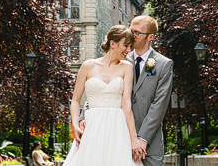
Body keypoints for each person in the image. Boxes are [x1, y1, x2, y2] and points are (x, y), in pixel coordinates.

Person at [63, 25, 142, 166]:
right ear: (113, 44)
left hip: (117, 126)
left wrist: (133, 138)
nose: (129, 50)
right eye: (125, 45)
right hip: (92, 126)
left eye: (130, 46)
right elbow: (75, 101)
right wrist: (75, 124)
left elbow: (126, 103)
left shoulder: (127, 67)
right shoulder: (88, 66)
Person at [127, 15, 174, 166]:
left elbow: (159, 104)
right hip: (120, 133)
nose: (131, 35)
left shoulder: (163, 64)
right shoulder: (121, 60)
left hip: (150, 142)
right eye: (131, 30)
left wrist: (143, 138)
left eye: (137, 33)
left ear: (150, 37)